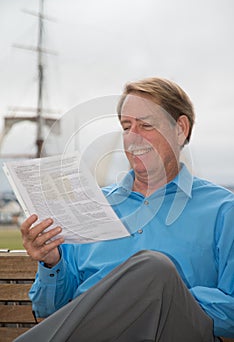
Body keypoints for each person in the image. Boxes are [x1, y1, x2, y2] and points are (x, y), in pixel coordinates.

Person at [16, 78, 234, 342]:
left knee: (155, 269)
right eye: (126, 126)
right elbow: (47, 311)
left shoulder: (224, 211)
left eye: (145, 125)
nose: (133, 137)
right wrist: (51, 262)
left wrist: (160, 297)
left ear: (180, 129)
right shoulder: (88, 207)